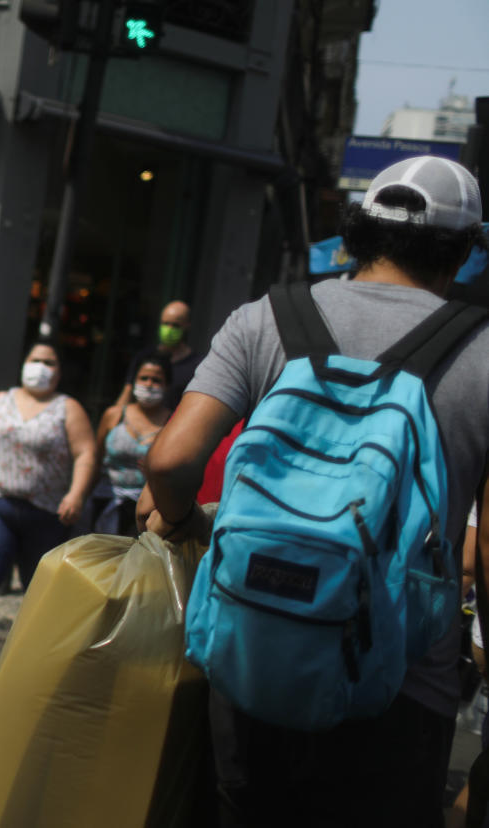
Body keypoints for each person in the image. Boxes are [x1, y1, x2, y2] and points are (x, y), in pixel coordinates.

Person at [141, 156, 489, 827]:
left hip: (252, 648)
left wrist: (185, 523)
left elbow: (173, 460)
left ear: (358, 230)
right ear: (465, 251)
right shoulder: (482, 352)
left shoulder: (266, 318)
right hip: (402, 682)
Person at [0, 342, 97, 675]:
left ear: (59, 371)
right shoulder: (1, 400)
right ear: (24, 363)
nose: (41, 366)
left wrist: (76, 494)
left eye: (49, 362)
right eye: (35, 360)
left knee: (39, 587)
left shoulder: (68, 409)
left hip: (45, 511)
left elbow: (85, 453)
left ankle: (38, 660)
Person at [93, 353, 171, 536]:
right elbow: (95, 460)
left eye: (156, 380)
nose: (149, 384)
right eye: (143, 378)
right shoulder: (113, 415)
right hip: (107, 501)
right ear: (133, 381)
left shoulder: (173, 422)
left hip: (149, 511)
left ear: (167, 385)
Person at [115, 300, 202, 411]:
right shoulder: (144, 357)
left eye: (175, 325)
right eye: (165, 323)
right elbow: (127, 391)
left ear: (187, 326)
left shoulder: (197, 365)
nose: (169, 329)